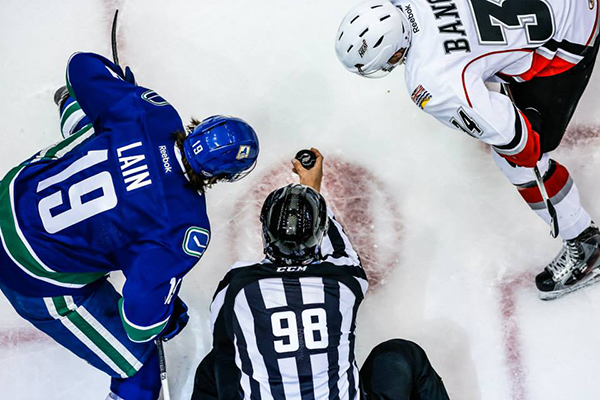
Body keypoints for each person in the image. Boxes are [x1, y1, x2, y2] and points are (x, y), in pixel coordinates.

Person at [0, 52, 259, 400]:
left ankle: (75, 108)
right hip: (29, 275)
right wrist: (165, 319)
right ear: (222, 177)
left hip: (10, 196)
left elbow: (81, 65)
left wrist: (123, 91)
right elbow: (139, 326)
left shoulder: (153, 113)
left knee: (105, 124)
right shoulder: (184, 227)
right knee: (138, 369)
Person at [335, 0, 600, 300]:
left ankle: (585, 241)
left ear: (394, 55)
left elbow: (515, 138)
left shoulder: (429, 77)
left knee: (519, 162)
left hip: (572, 36)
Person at [190, 148, 450, 399]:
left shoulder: (237, 285)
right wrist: (311, 187)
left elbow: (227, 353)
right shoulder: (345, 281)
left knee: (215, 364)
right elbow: (336, 244)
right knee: (402, 354)